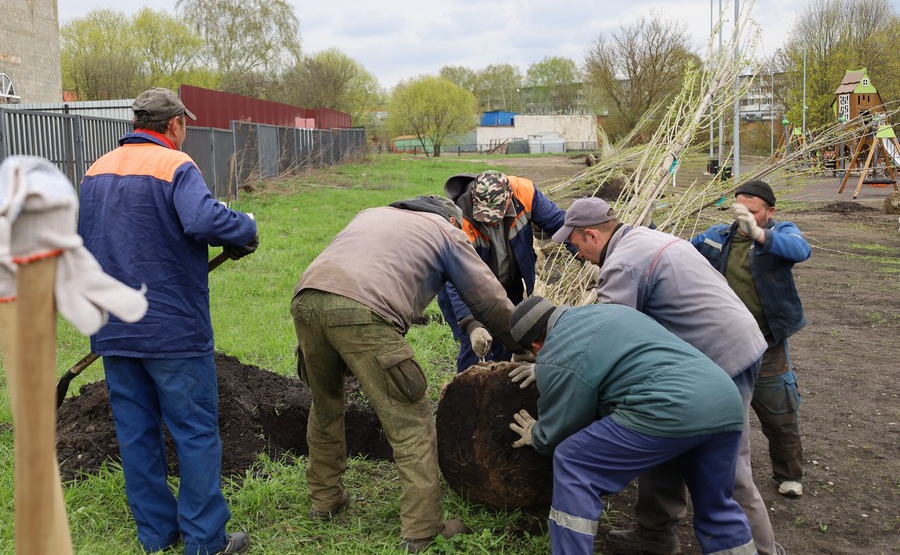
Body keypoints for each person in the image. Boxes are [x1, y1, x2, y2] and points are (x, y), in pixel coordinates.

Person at [540, 197, 783, 555]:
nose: (574, 253)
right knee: (659, 429)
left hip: (718, 356)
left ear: (590, 234)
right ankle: (656, 533)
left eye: (573, 244)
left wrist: (553, 367)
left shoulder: (622, 263)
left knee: (724, 470)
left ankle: (761, 550)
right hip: (723, 343)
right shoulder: (641, 238)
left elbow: (604, 337)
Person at [78, 87, 258, 555]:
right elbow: (204, 221)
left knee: (136, 434)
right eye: (185, 125)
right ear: (174, 125)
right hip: (172, 331)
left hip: (113, 328)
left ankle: (156, 536)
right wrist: (245, 227)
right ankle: (205, 542)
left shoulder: (95, 170)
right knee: (195, 431)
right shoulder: (174, 166)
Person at [290, 195, 518, 554]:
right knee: (411, 422)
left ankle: (325, 499)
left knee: (326, 404)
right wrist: (521, 341)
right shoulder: (445, 231)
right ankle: (422, 529)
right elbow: (488, 298)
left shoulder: (372, 213)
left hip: (308, 298)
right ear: (451, 219)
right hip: (365, 309)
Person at [506, 296, 755, 555]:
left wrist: (537, 433)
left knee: (573, 461)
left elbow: (560, 429)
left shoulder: (557, 348)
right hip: (723, 398)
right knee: (717, 508)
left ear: (536, 345)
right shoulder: (605, 312)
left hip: (670, 407)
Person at [691, 180, 811, 498]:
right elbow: (680, 251)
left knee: (778, 409)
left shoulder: (782, 232)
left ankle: (789, 473)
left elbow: (801, 250)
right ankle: (720, 472)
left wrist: (760, 235)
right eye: (741, 210)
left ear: (769, 211)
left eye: (753, 211)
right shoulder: (718, 237)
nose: (745, 216)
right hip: (724, 342)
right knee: (718, 407)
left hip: (768, 342)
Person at [438, 170, 573, 371]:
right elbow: (456, 279)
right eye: (484, 216)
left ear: (508, 199)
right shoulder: (458, 220)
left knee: (511, 336)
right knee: (476, 345)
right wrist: (472, 325)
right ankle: (469, 395)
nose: (490, 222)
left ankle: (505, 389)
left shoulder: (525, 193)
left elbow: (559, 223)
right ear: (475, 199)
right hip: (469, 289)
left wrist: (583, 255)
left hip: (508, 283)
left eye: (495, 216)